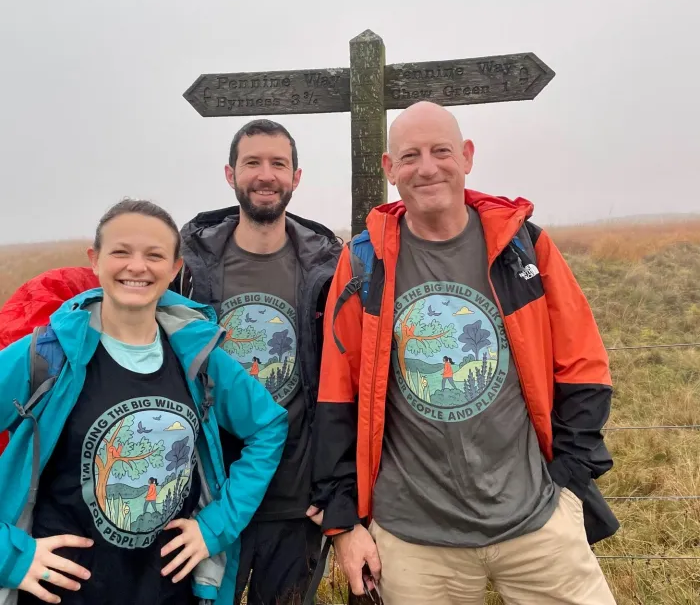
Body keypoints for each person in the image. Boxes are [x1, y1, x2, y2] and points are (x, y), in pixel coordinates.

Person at [310, 101, 618, 605]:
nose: (427, 167)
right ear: (390, 169)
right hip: (412, 540)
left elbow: (583, 365)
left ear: (468, 156)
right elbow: (337, 393)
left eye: (441, 151)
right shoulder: (365, 263)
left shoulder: (523, 246)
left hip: (537, 520)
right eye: (409, 156)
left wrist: (567, 481)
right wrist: (344, 521)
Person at [0, 199, 288, 605]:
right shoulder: (47, 356)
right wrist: (10, 556)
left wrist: (216, 527)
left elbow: (268, 426)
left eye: (154, 255)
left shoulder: (197, 357)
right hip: (61, 593)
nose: (137, 267)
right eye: (121, 252)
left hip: (170, 592)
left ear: (174, 269)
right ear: (95, 260)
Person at [175, 119, 342, 605]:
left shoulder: (327, 268)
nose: (265, 175)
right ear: (230, 174)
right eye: (252, 163)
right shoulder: (188, 267)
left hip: (297, 498)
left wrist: (335, 485)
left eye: (278, 164)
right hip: (209, 495)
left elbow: (345, 380)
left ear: (296, 176)